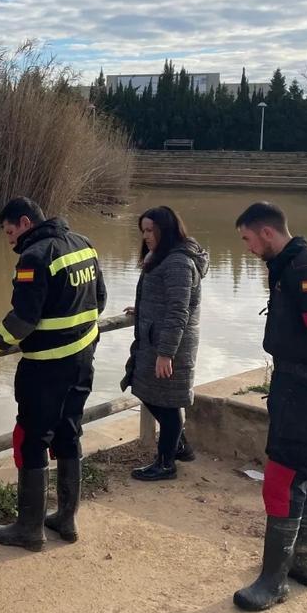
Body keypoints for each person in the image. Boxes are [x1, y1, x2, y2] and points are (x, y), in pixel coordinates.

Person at [0, 197, 106, 551]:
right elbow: (99, 299)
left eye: (10, 232)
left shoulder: (34, 258)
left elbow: (21, 322)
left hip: (45, 367)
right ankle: (66, 520)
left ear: (25, 222)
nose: (9, 240)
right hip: (83, 359)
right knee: (69, 432)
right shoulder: (83, 244)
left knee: (32, 440)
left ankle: (29, 529)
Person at [233, 201, 307, 612]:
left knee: (283, 477)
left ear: (267, 233)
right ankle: (303, 565)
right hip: (302, 383)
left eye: (248, 239)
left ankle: (273, 581)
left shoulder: (303, 268)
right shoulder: (289, 264)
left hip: (306, 390)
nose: (247, 248)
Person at [121, 206, 209, 482]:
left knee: (168, 404)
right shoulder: (162, 256)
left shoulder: (179, 262)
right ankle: (178, 446)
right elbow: (164, 298)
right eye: (143, 230)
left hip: (170, 344)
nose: (146, 236)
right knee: (148, 392)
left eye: (151, 230)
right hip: (154, 338)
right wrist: (143, 309)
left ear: (166, 229)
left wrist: (166, 354)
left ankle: (165, 462)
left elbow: (178, 310)